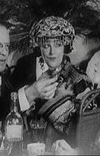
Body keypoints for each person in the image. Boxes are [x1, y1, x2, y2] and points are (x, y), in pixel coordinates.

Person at [11, 16, 92, 146]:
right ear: (38, 46)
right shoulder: (24, 65)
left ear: (66, 45)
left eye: (58, 45)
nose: (51, 52)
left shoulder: (79, 78)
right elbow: (10, 103)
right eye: (46, 45)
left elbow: (84, 130)